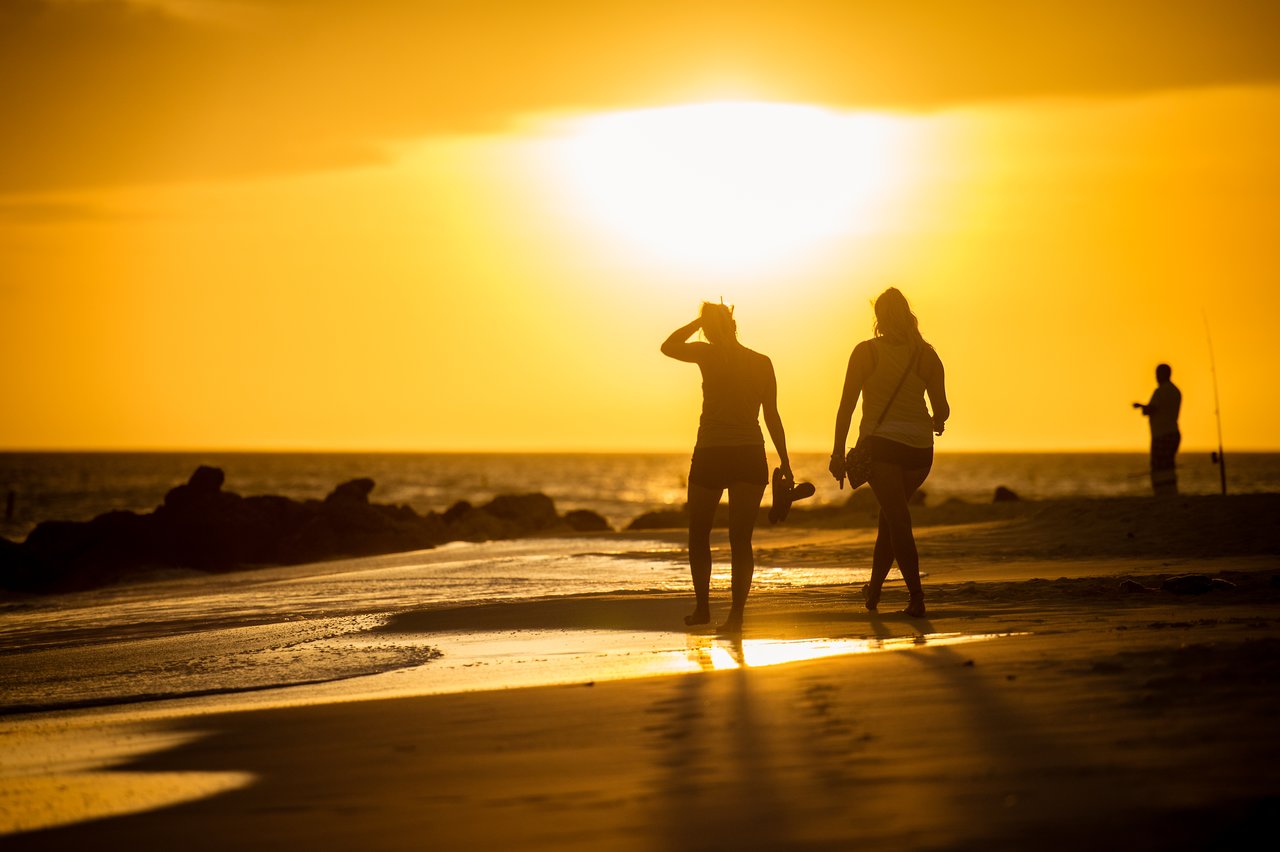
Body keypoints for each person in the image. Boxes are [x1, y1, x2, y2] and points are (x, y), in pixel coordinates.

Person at [662, 302, 794, 633]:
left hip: (712, 452)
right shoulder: (761, 362)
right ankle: (736, 616)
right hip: (749, 453)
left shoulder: (707, 355)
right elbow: (772, 416)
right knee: (740, 539)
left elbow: (668, 346)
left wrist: (696, 321)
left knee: (699, 534)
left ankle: (704, 608)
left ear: (710, 327)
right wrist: (786, 461)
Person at [828, 288, 949, 618]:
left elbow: (846, 407)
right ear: (908, 315)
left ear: (878, 317)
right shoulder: (927, 355)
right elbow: (942, 410)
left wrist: (838, 453)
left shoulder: (866, 352)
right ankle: (875, 592)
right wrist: (936, 421)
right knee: (891, 517)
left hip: (881, 446)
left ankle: (917, 597)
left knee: (897, 519)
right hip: (921, 451)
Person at [1133, 363, 1182, 495]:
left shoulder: (1160, 391)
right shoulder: (1176, 391)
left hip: (1162, 435)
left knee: (1159, 466)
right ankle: (1171, 492)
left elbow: (1152, 409)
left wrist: (1140, 406)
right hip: (1174, 433)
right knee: (1168, 465)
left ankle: (1162, 493)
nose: (1156, 377)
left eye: (1157, 374)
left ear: (1162, 374)